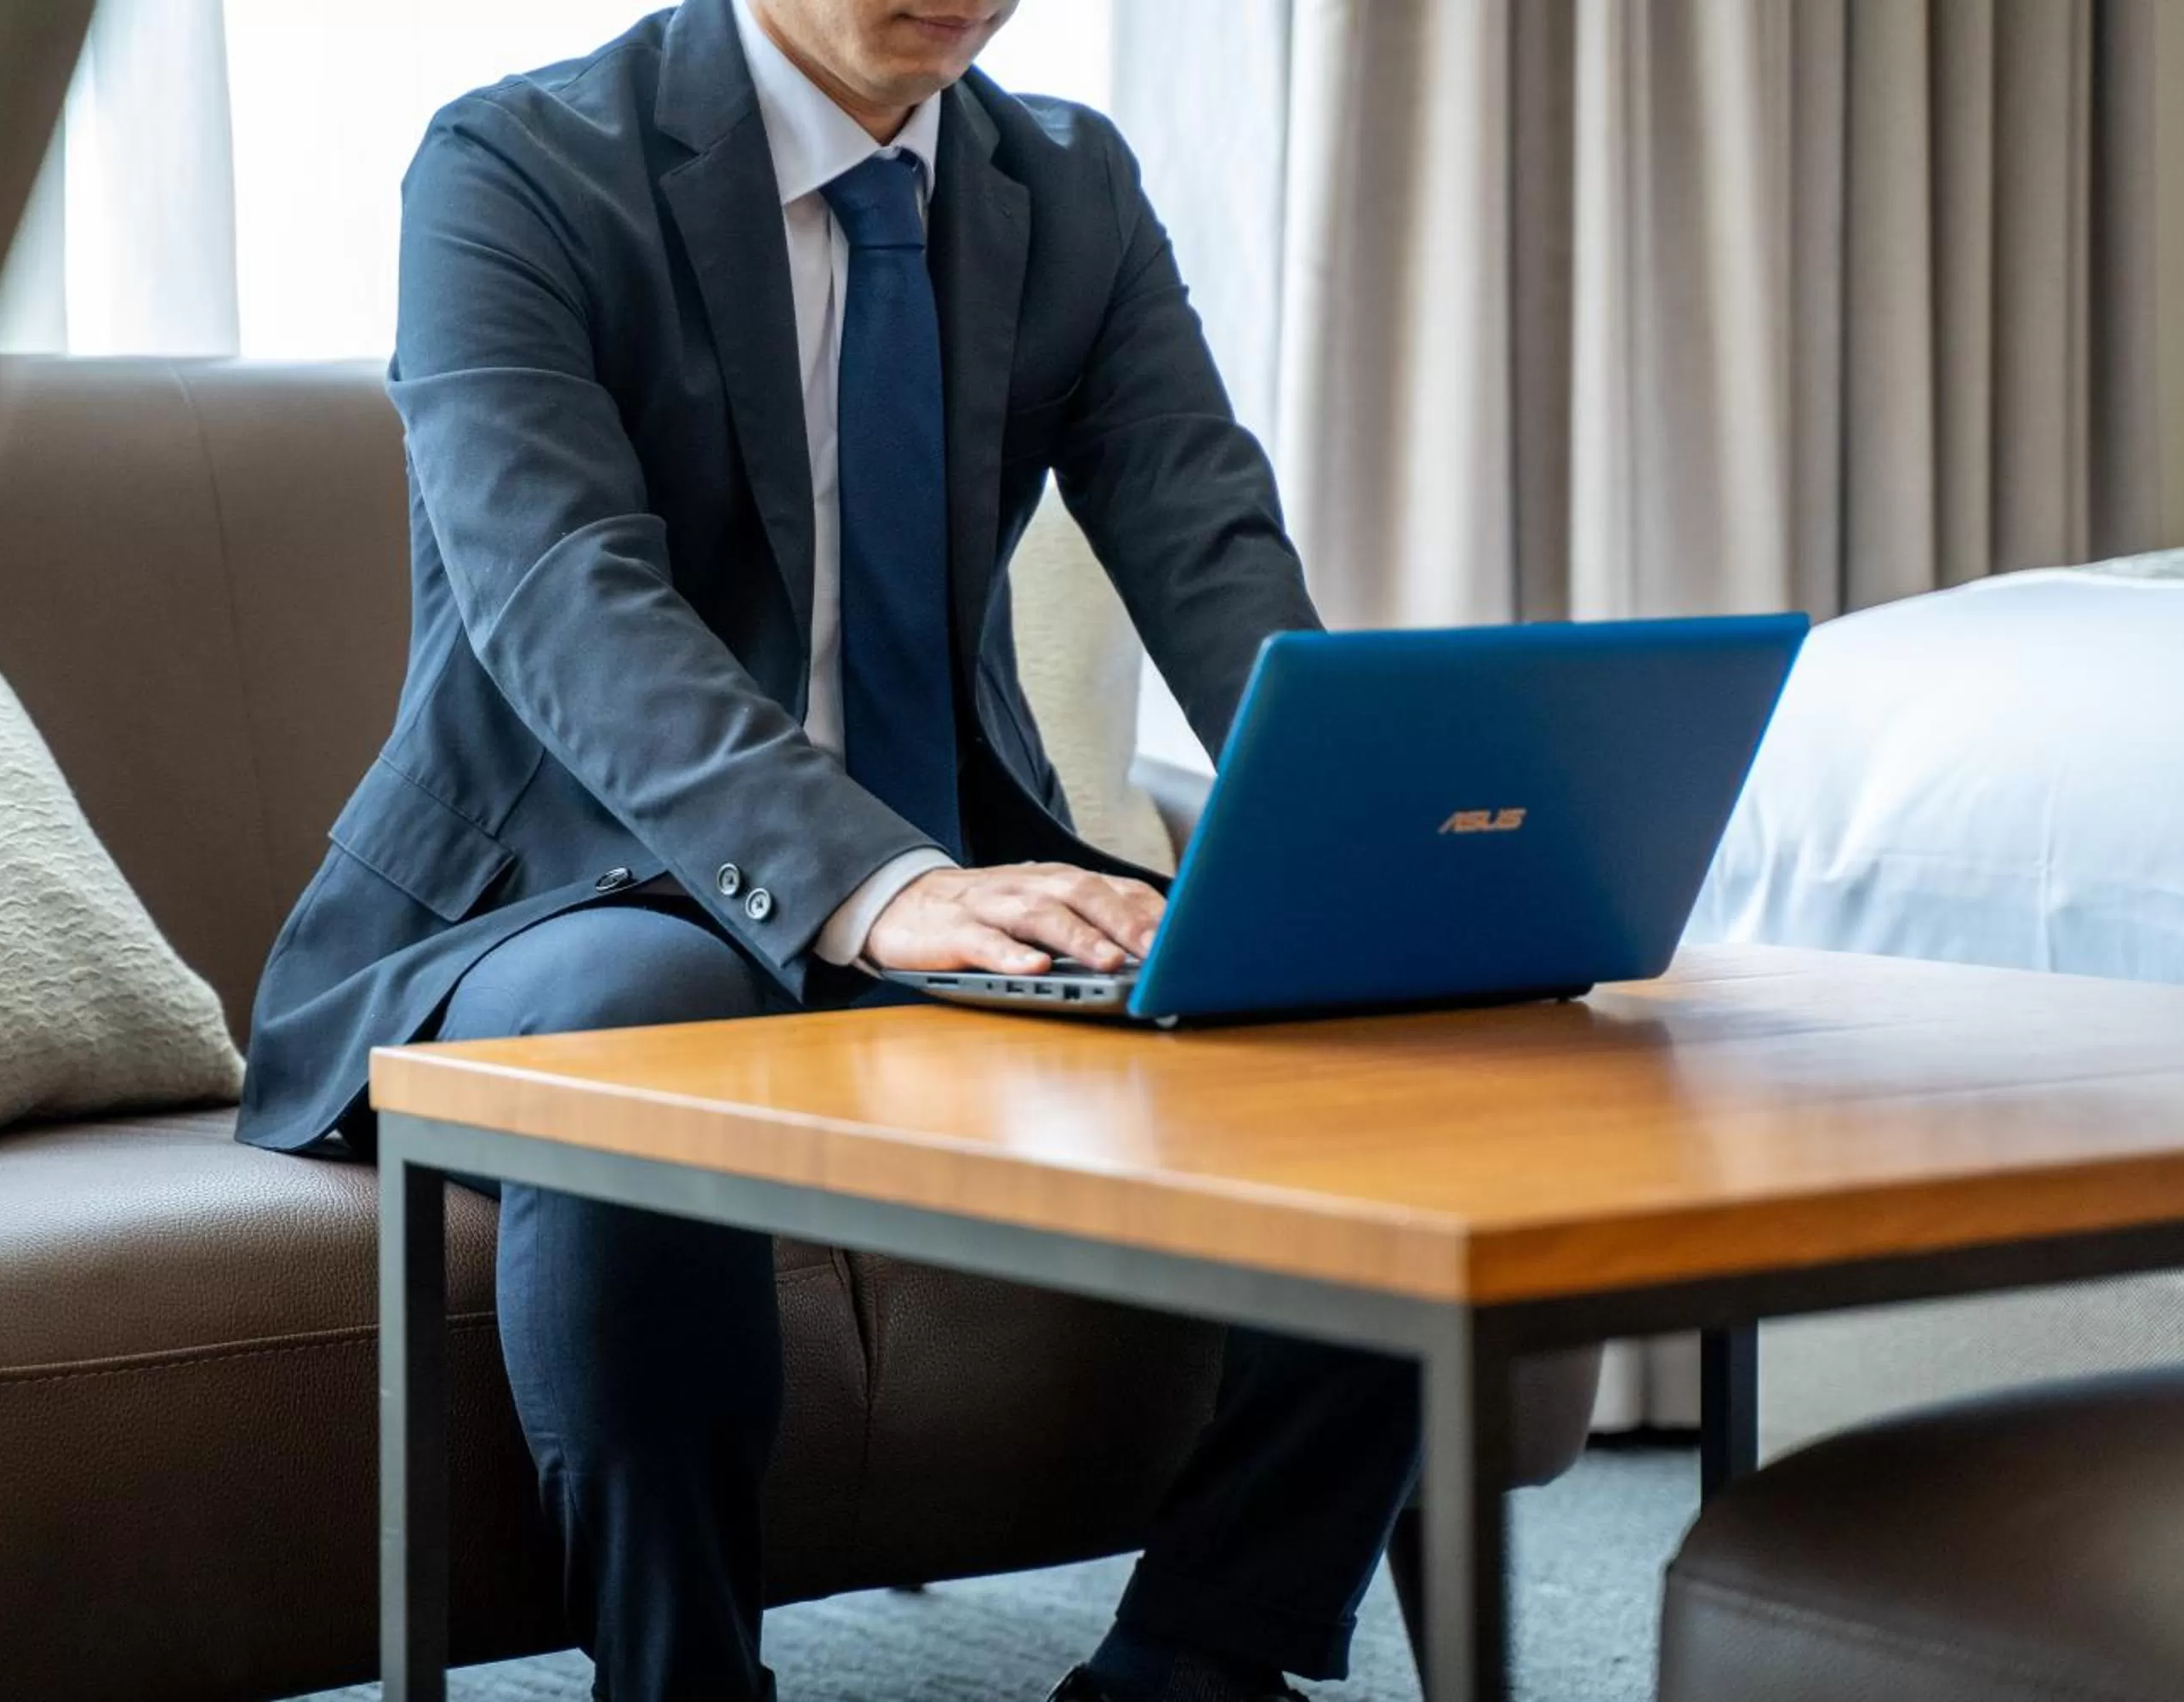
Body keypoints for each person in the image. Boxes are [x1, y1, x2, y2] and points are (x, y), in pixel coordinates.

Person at [235, 1, 1425, 1696]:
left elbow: (1204, 529)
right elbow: (562, 598)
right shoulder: (516, 165)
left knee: (1358, 1002)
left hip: (943, 888)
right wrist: (889, 890)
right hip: (552, 900)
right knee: (657, 1008)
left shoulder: (1065, 183)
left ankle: (1200, 1660)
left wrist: (1366, 851)